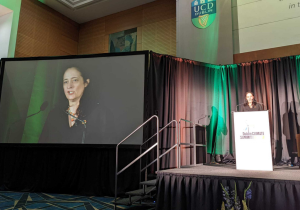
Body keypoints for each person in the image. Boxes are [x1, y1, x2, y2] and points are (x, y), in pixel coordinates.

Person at [39, 67, 113, 144]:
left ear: (86, 83)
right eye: (65, 82)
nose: (69, 86)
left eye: (74, 80)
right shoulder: (54, 114)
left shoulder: (101, 114)